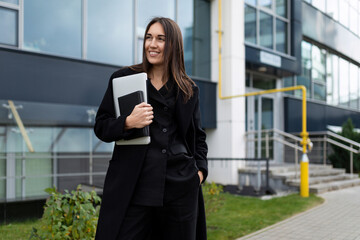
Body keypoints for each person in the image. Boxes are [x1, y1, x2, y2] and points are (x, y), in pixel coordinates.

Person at [94, 17, 208, 240]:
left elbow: (198, 138)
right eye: (148, 37)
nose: (152, 44)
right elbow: (101, 126)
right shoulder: (123, 78)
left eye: (160, 39)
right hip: (133, 186)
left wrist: (200, 173)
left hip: (179, 187)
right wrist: (127, 122)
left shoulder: (188, 89)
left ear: (173, 45)